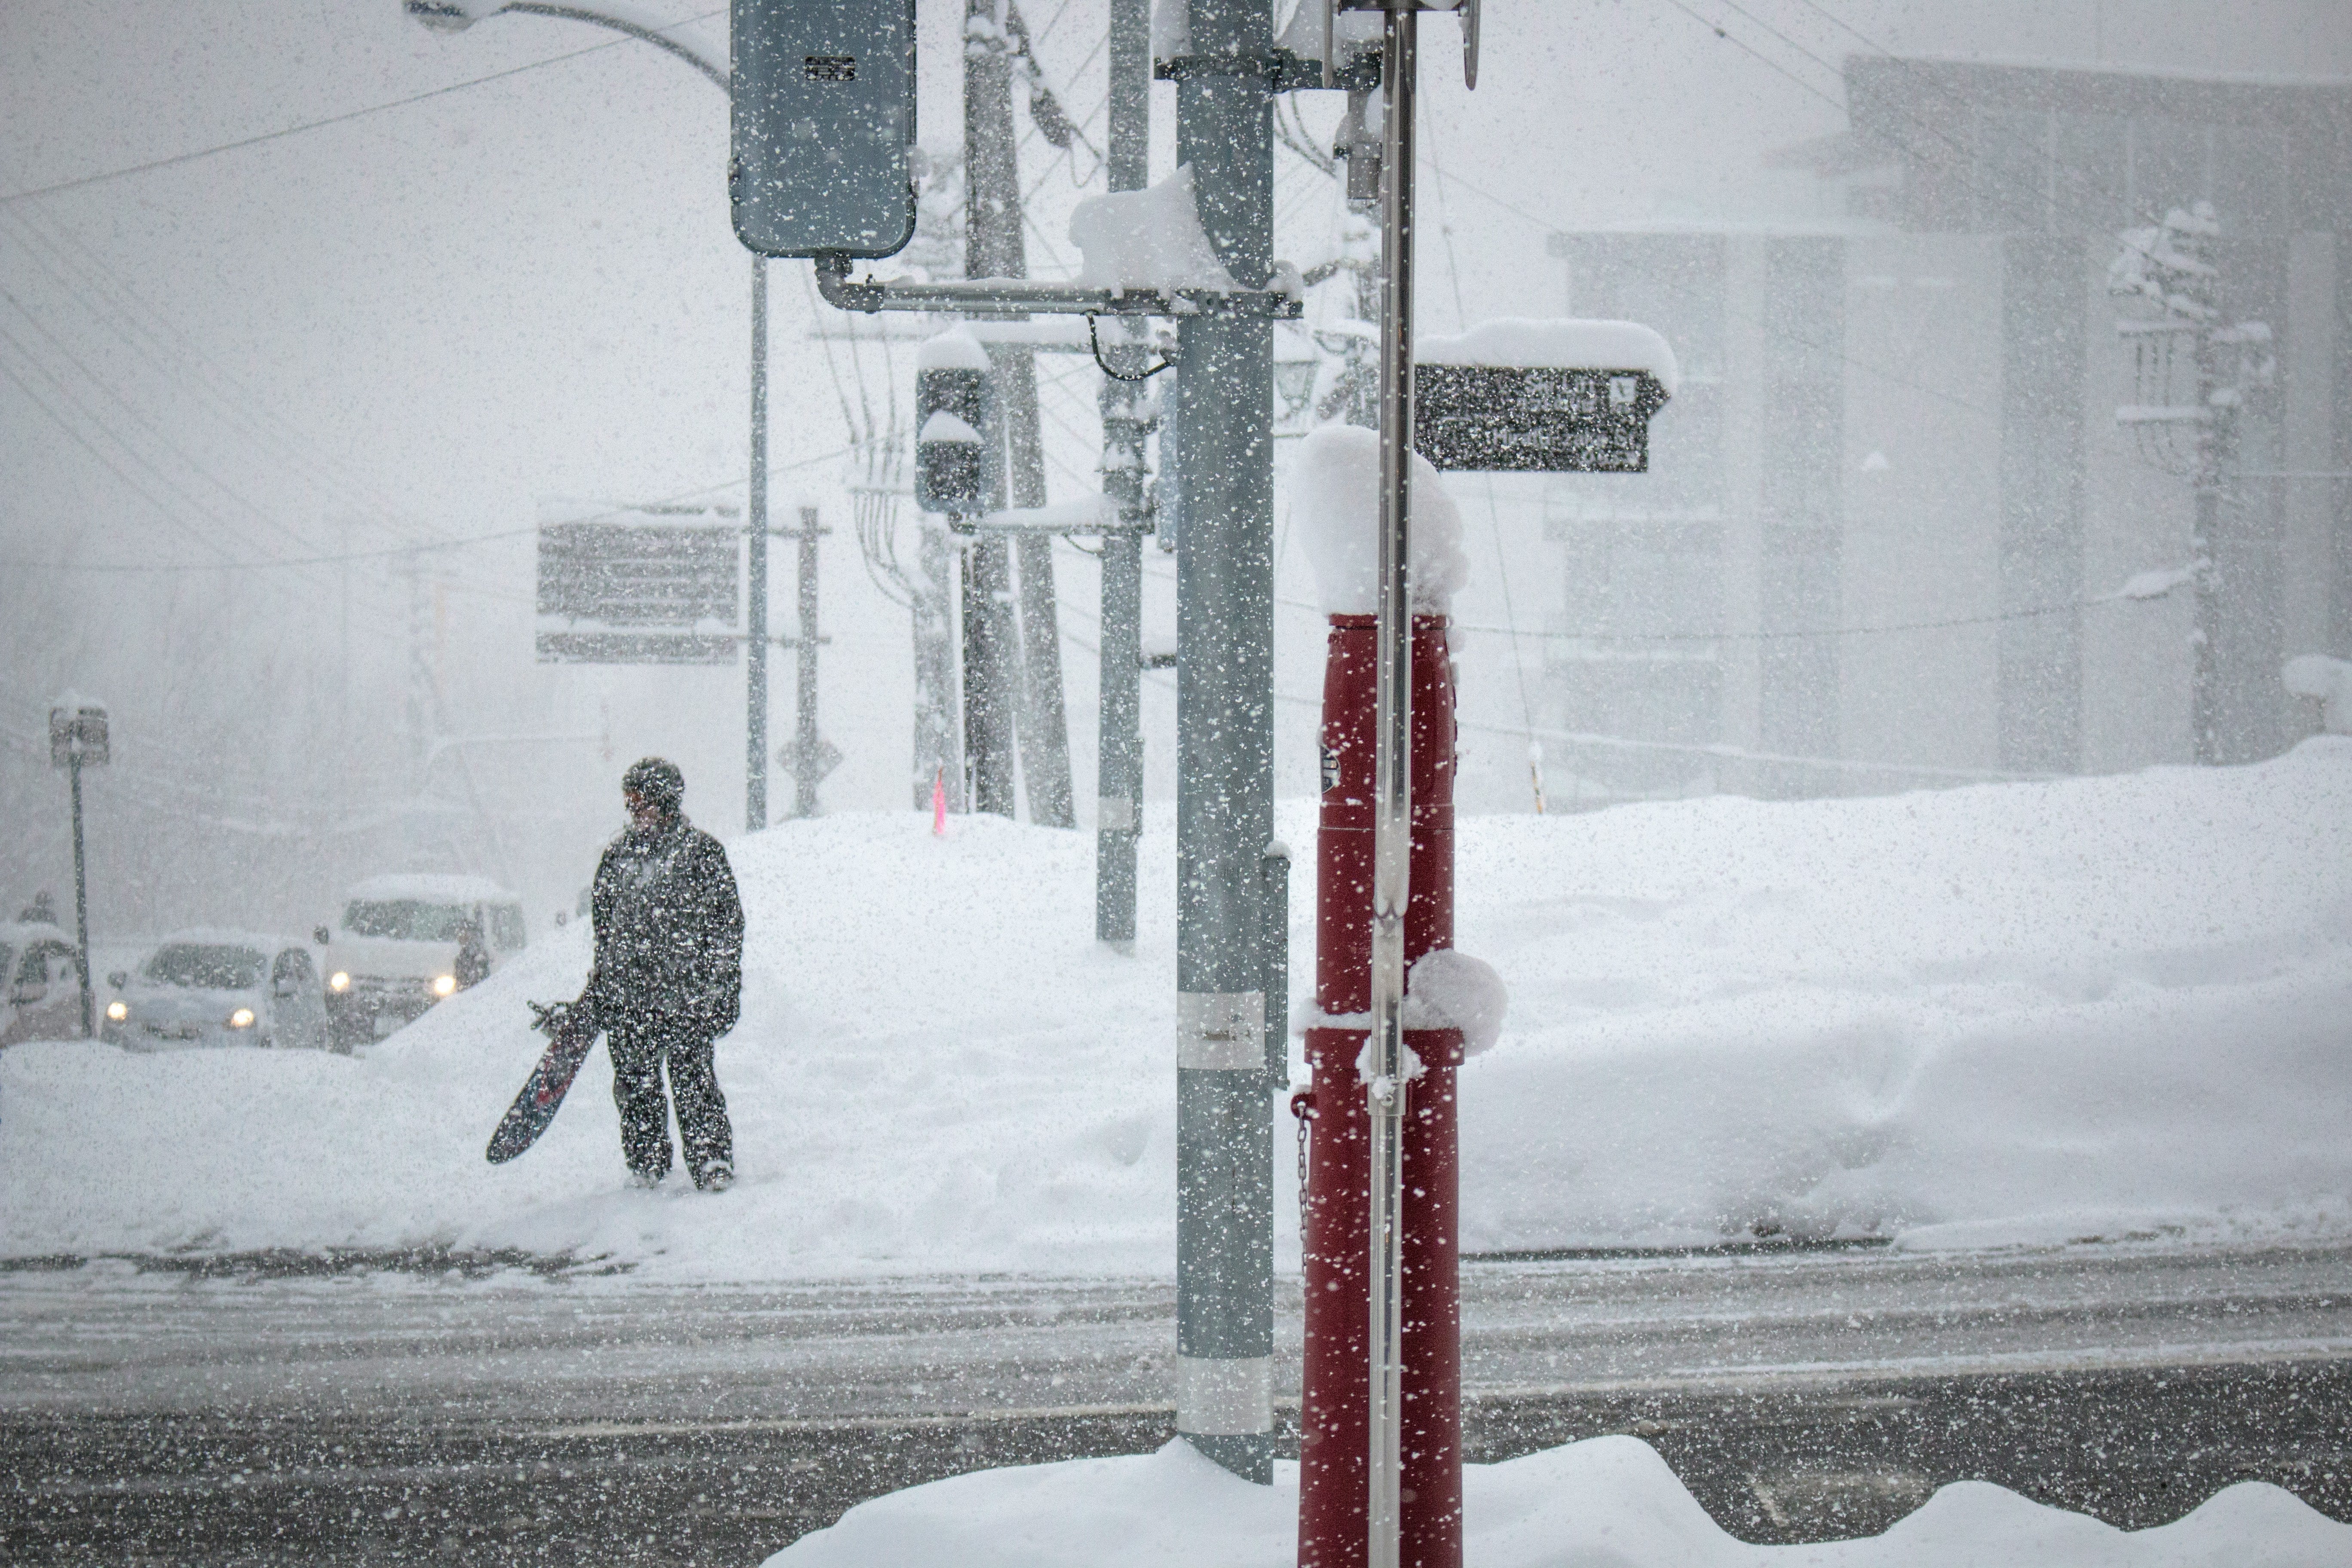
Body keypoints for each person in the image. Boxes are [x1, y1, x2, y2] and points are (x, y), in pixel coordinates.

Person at [577, 757, 744, 1192]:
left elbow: (726, 926)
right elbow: (605, 928)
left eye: (643, 802)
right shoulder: (617, 858)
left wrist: (722, 987)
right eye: (630, 802)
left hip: (686, 999)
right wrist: (606, 986)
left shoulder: (701, 853)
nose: (635, 812)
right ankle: (646, 1165)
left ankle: (711, 1162)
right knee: (635, 1088)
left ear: (666, 803)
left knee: (694, 1084)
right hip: (630, 1000)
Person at [453, 916, 491, 991]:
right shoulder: (462, 954)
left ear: (471, 934)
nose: (461, 936)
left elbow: (481, 977)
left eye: (464, 932)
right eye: (460, 933)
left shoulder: (477, 953)